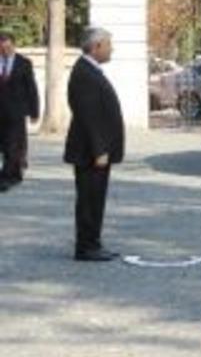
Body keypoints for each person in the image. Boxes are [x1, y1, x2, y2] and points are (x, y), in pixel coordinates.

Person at [64, 28, 125, 262]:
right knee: (89, 200)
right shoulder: (84, 73)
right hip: (90, 152)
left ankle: (94, 243)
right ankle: (86, 247)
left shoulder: (90, 70)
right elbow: (88, 116)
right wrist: (99, 150)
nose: (112, 49)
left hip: (96, 151)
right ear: (96, 46)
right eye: (109, 44)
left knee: (96, 199)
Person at [0, 31, 40, 192]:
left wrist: (34, 111)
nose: (4, 51)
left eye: (7, 47)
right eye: (1, 48)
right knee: (4, 145)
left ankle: (9, 177)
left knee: (13, 146)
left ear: (13, 45)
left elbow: (31, 88)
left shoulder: (24, 63)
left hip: (16, 112)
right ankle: (10, 171)